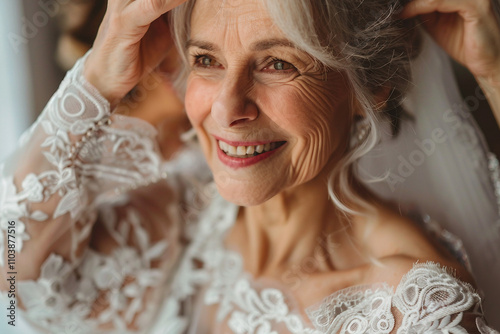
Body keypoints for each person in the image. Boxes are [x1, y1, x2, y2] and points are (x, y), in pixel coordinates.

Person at [1, 0, 500, 333]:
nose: (226, 109)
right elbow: (14, 275)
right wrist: (94, 82)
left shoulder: (412, 310)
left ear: (369, 85)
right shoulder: (185, 211)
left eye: (277, 64)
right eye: (207, 60)